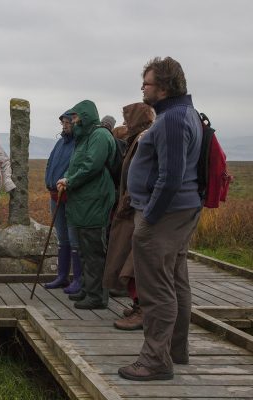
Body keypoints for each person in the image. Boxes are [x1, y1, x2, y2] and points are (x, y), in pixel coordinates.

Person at [118, 57, 202, 381]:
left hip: (164, 215)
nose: (142, 88)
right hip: (179, 212)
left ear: (164, 86)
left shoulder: (171, 120)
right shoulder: (183, 114)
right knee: (176, 281)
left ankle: (155, 360)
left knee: (156, 288)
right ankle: (175, 350)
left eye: (147, 83)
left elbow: (170, 177)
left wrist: (149, 217)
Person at [56, 100, 116, 310]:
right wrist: (67, 177)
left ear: (86, 115)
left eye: (75, 117)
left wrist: (70, 180)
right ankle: (87, 288)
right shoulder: (84, 137)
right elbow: (79, 164)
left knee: (94, 251)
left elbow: (92, 165)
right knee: (83, 249)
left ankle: (97, 295)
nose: (73, 121)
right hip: (83, 202)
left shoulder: (99, 135)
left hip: (94, 200)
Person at [103, 102, 155, 331]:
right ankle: (137, 304)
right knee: (126, 257)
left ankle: (143, 309)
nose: (125, 125)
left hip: (139, 209)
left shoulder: (145, 139)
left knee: (136, 262)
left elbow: (146, 175)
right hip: (131, 206)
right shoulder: (137, 139)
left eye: (127, 120)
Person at [43, 111, 82, 294]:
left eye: (68, 122)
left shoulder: (80, 143)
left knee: (74, 238)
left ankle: (78, 279)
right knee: (62, 237)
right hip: (54, 194)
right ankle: (62, 276)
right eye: (63, 123)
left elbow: (76, 167)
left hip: (71, 196)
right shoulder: (60, 143)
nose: (65, 126)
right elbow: (51, 163)